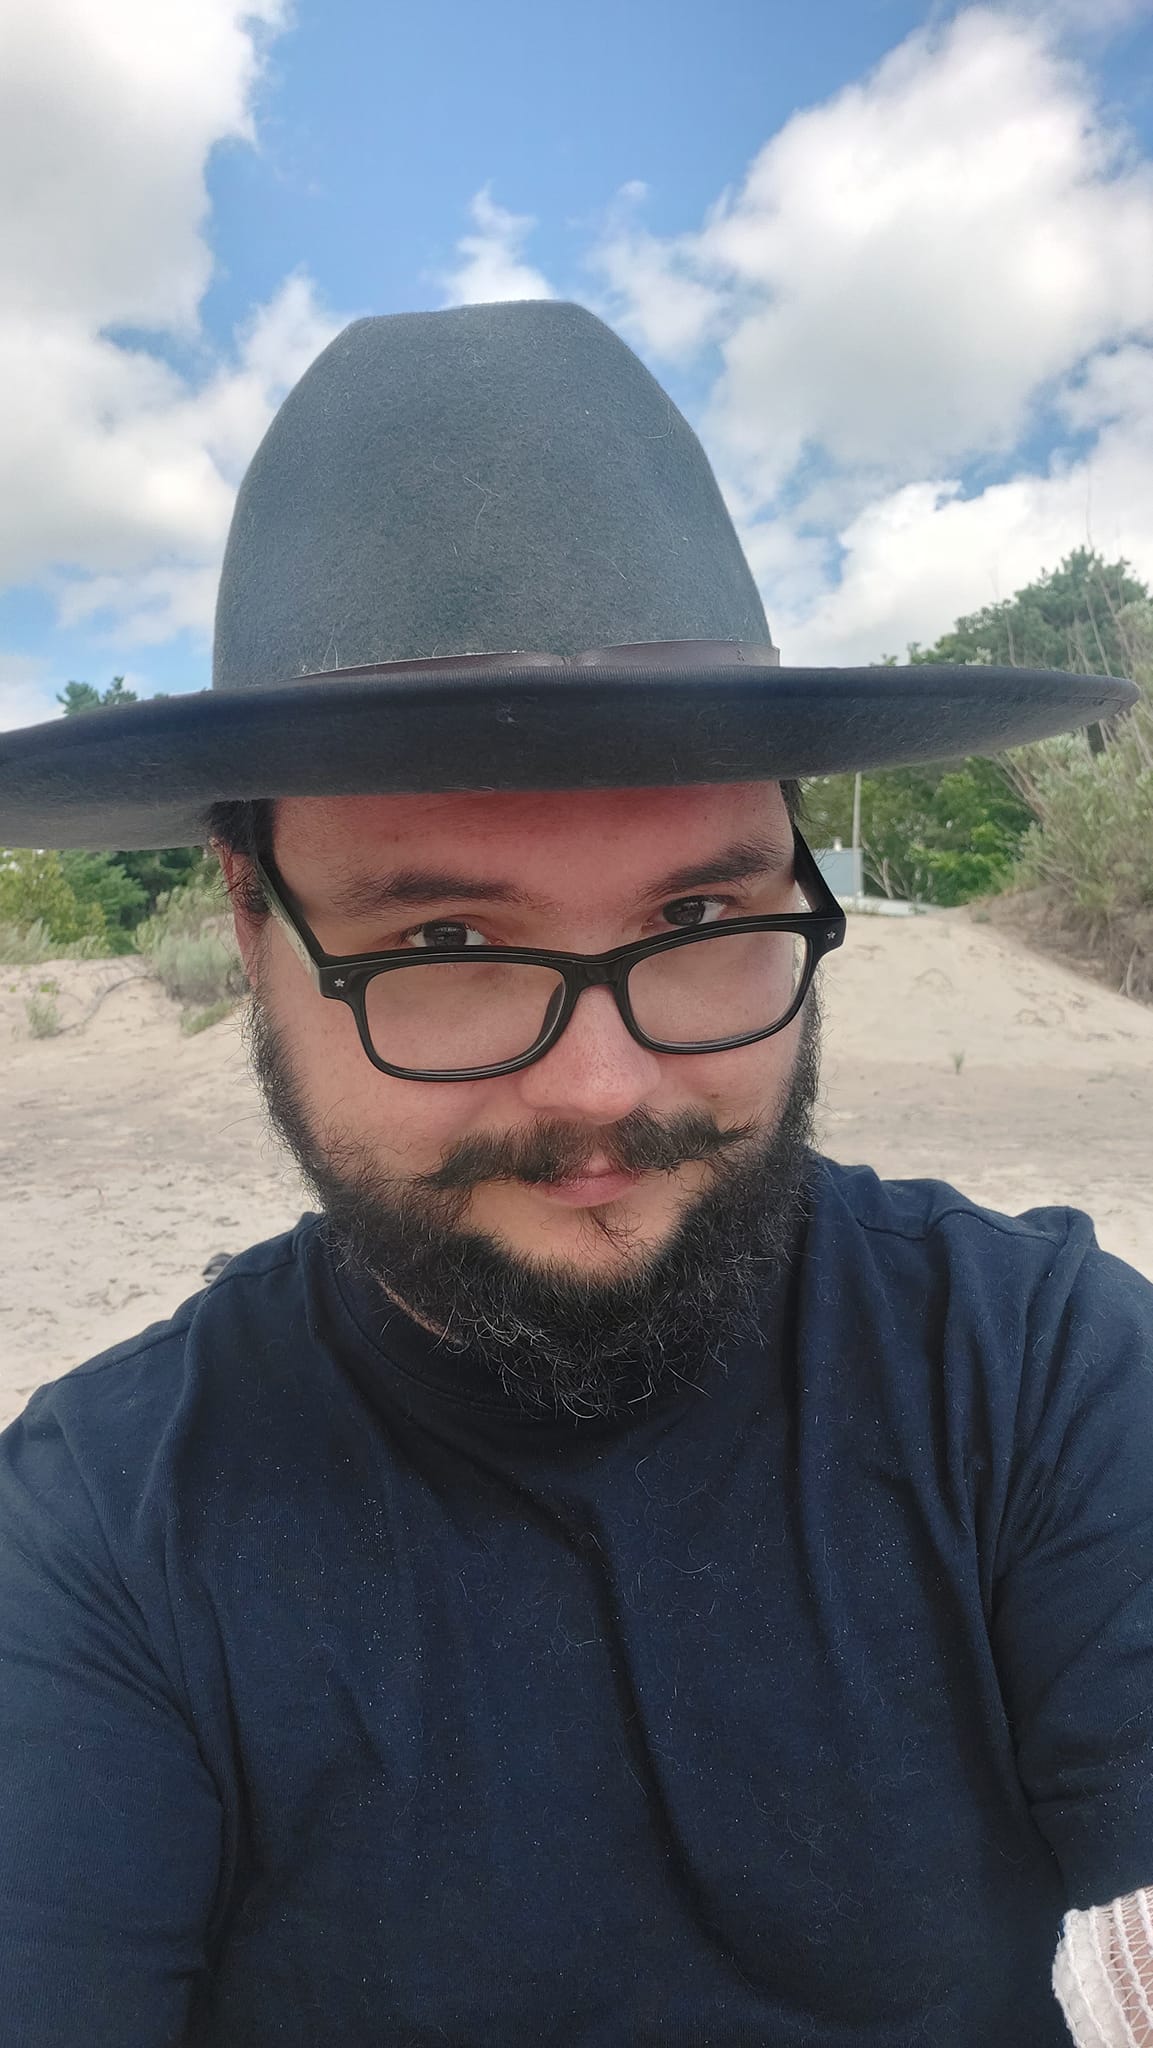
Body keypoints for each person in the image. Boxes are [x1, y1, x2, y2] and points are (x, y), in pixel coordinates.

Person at [0, 300, 1149, 2047]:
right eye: (446, 937)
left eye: (699, 919)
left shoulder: (1040, 1372)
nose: (603, 1087)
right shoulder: (94, 1539)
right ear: (250, 926)